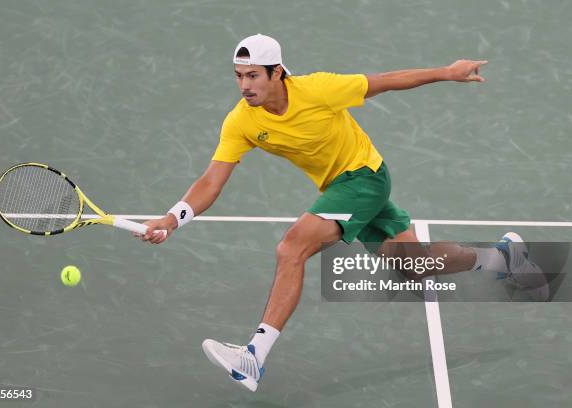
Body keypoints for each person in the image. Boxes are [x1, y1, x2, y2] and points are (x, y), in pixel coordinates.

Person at [138, 34, 546, 391]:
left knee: (291, 248)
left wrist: (447, 72)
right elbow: (212, 180)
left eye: (253, 76)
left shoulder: (317, 89)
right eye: (238, 76)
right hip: (341, 189)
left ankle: (253, 357)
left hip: (364, 177)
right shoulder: (241, 122)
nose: (244, 86)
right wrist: (174, 217)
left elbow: (384, 83)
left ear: (277, 72)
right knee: (412, 263)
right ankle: (501, 258)